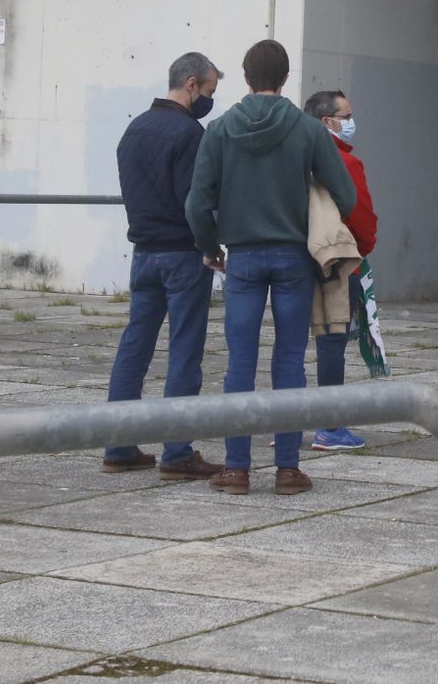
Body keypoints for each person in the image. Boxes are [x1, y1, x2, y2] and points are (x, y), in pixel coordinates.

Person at [186, 40, 356, 496]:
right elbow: (347, 195)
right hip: (293, 258)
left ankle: (237, 468)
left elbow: (197, 203)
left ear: (245, 77)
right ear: (284, 78)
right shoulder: (308, 130)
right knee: (289, 361)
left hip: (240, 258)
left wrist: (209, 246)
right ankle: (287, 469)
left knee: (240, 362)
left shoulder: (219, 130)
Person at [102, 53, 222, 479]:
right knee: (184, 351)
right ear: (191, 84)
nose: (210, 99)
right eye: (209, 91)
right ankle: (177, 452)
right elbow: (195, 201)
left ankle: (118, 444)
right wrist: (211, 245)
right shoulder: (190, 134)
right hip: (182, 254)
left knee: (135, 345)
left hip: (143, 252)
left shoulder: (134, 128)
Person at [303, 89, 378, 451]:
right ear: (325, 122)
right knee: (332, 340)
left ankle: (286, 423)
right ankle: (330, 428)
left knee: (289, 347)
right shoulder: (346, 163)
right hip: (334, 262)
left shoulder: (294, 156)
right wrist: (361, 251)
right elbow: (361, 216)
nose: (351, 123)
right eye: (345, 116)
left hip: (293, 260)